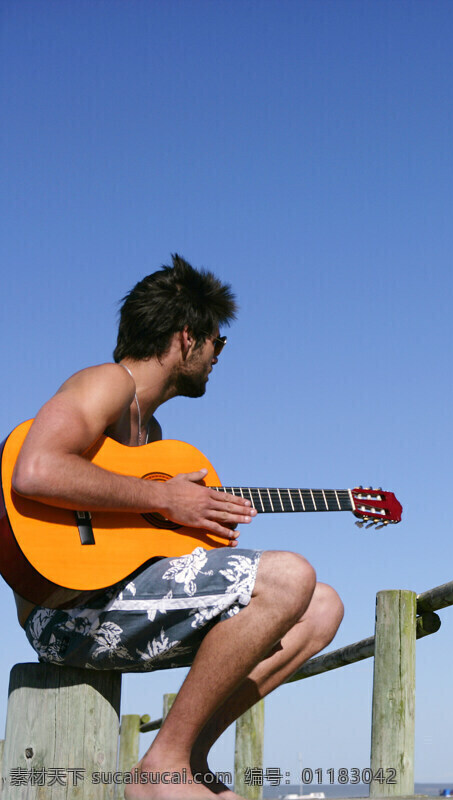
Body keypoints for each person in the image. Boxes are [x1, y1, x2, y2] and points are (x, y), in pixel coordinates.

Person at [6, 255, 343, 800]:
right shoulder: (107, 384)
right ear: (188, 338)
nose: (217, 358)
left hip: (114, 602)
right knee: (289, 575)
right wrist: (166, 498)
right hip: (62, 614)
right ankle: (158, 768)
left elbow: (141, 543)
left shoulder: (153, 434)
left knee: (322, 607)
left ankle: (184, 758)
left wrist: (196, 528)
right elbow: (36, 468)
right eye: (218, 343)